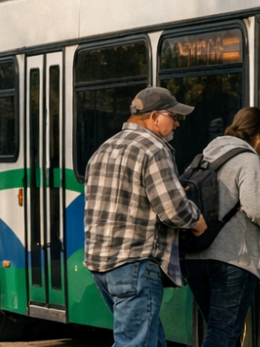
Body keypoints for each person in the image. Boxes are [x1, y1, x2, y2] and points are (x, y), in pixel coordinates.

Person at [84, 87, 208, 347]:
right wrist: (197, 221)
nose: (176, 123)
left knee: (152, 340)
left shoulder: (104, 148)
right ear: (154, 117)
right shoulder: (154, 148)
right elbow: (173, 210)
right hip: (135, 264)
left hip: (101, 264)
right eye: (173, 116)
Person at [183, 107, 260, 347]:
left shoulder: (203, 157)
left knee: (219, 330)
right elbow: (258, 208)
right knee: (224, 333)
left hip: (194, 257)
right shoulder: (248, 159)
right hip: (232, 260)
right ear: (259, 134)